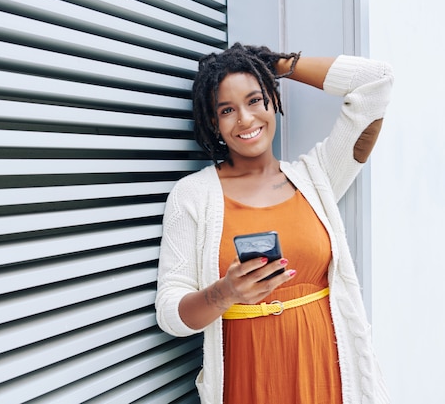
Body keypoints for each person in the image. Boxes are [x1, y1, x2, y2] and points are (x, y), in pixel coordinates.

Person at [155, 43, 393, 404]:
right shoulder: (192, 195)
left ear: (272, 100)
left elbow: (377, 82)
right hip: (246, 381)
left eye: (255, 100)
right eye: (227, 110)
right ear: (213, 122)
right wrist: (225, 293)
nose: (246, 120)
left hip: (326, 377)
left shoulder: (318, 177)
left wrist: (276, 65)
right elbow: (170, 314)